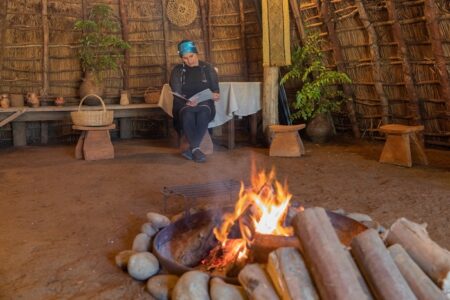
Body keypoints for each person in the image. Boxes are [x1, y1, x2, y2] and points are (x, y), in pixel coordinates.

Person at [169, 40, 220, 163]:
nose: (189, 60)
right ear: (181, 58)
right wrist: (186, 101)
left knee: (203, 111)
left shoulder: (207, 68)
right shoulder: (177, 70)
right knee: (188, 113)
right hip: (184, 104)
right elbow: (177, 92)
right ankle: (196, 149)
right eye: (185, 58)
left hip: (204, 103)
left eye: (191, 56)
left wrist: (214, 95)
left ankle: (193, 149)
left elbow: (216, 93)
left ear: (196, 53)